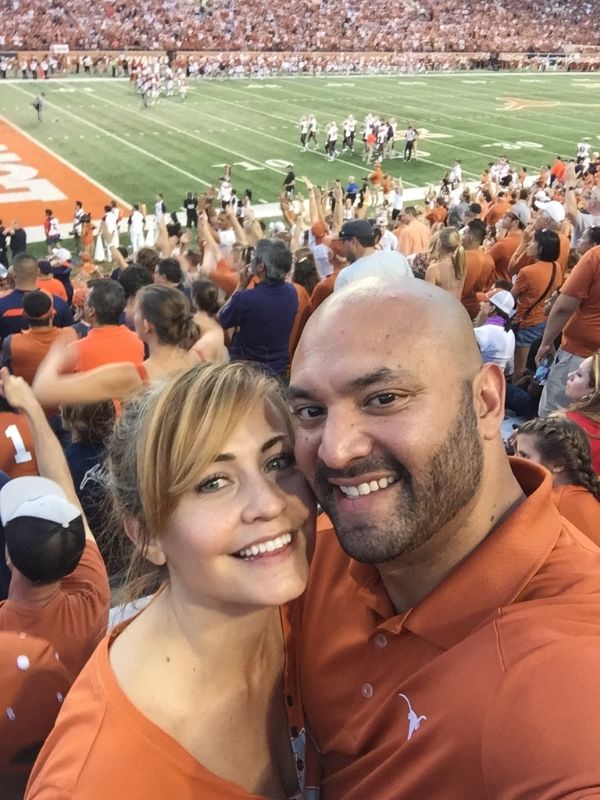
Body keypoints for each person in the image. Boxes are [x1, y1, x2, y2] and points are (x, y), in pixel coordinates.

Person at [288, 277, 600, 799]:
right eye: (311, 412)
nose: (335, 451)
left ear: (485, 401)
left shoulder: (569, 662)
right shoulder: (310, 554)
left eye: (383, 398)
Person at [26, 362, 316, 799]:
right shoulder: (93, 781)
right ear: (146, 536)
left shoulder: (333, 580)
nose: (270, 503)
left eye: (278, 461)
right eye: (213, 482)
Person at [33, 285, 201, 406]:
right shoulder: (198, 358)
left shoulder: (131, 376)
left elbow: (43, 391)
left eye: (135, 311)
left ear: (147, 325)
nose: (130, 314)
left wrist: (57, 352)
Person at [219, 239, 298, 378]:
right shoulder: (291, 292)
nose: (252, 260)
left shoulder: (246, 299)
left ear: (261, 267)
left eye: (254, 257)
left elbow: (220, 319)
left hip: (248, 375)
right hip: (278, 372)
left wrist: (240, 287)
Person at [537, 241, 600, 415]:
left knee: (556, 416)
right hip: (586, 353)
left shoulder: (596, 256)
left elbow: (564, 306)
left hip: (580, 355)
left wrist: (546, 342)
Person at [515, 416, 600, 544]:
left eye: (524, 455)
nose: (514, 459)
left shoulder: (551, 505)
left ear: (558, 465)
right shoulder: (584, 490)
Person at [511, 228, 561, 382]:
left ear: (540, 248)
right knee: (533, 364)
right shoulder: (556, 267)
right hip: (543, 320)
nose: (529, 245)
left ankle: (514, 395)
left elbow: (511, 297)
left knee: (518, 367)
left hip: (527, 322)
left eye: (533, 242)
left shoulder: (527, 272)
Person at [66, 278, 144, 373]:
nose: (83, 304)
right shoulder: (138, 341)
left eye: (85, 300)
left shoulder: (75, 351)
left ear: (91, 311)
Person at [0, 254, 73, 341]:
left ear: (14, 274)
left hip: (14, 352)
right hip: (52, 353)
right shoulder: (58, 302)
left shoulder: (2, 304)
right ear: (37, 273)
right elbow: (70, 336)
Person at [2, 290, 64, 386]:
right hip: (59, 398)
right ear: (52, 314)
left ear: (24, 314)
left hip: (22, 398)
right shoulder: (68, 338)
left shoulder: (11, 343)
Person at [335, 220, 413, 292]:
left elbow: (339, 306)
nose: (342, 247)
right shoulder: (398, 258)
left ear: (353, 241)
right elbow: (413, 287)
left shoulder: (346, 276)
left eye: (343, 242)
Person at [560, 351, 600, 473]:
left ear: (594, 391)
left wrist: (528, 437)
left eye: (579, 374)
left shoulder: (563, 423)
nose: (570, 375)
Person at [473, 289, 515, 372]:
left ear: (492, 308)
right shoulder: (510, 333)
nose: (481, 304)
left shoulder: (483, 332)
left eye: (485, 302)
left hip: (478, 377)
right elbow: (509, 369)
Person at [190, 278, 228, 363]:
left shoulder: (194, 322)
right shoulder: (218, 320)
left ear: (194, 299)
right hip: (217, 368)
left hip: (201, 370)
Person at [425, 226, 467, 300]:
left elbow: (428, 299)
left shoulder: (434, 270)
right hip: (457, 309)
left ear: (440, 243)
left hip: (440, 310)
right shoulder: (461, 266)